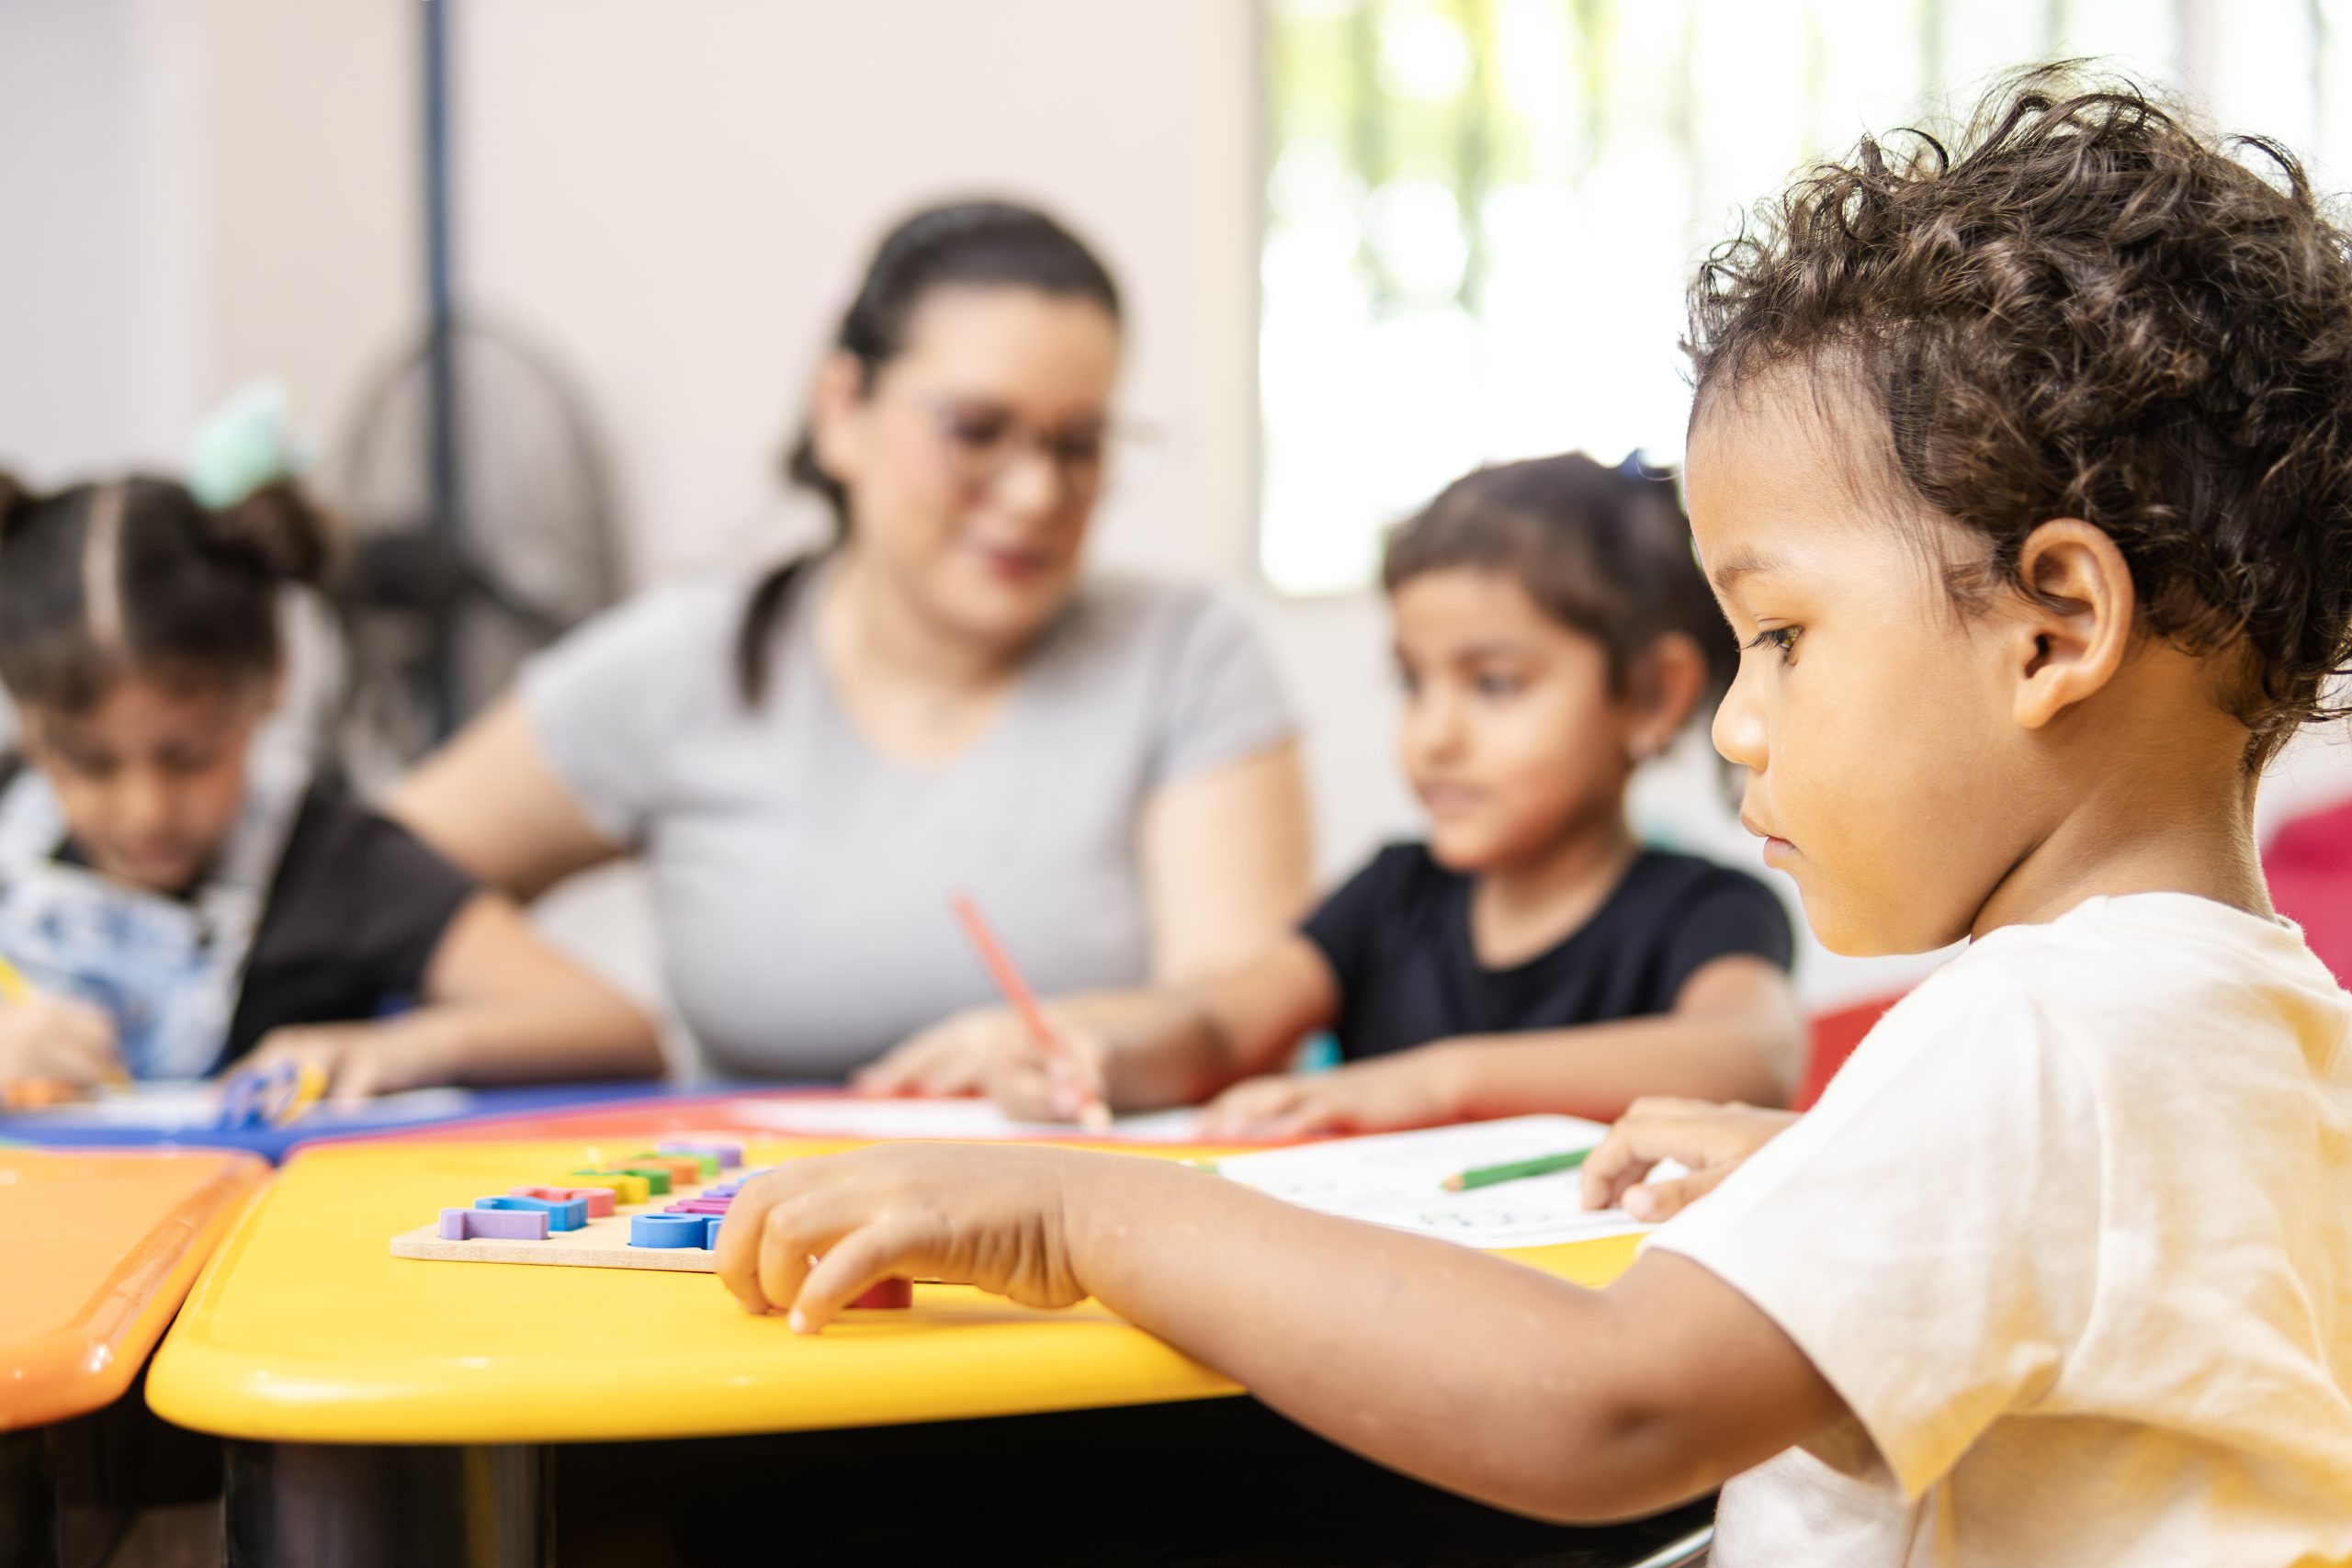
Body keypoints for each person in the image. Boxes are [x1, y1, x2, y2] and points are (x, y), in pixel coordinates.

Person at [708, 73, 2352, 1562]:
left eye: (1778, 633)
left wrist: (1092, 1211)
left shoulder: (2038, 1046)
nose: (1734, 716)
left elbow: (1604, 1408)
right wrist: (1833, 1175)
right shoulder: (2257, 1027)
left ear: (2054, 626)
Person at [391, 201, 1310, 1079]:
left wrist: (1081, 1043)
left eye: (1078, 446)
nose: (1036, 494)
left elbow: (1242, 1005)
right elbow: (362, 885)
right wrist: (552, 1022)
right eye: (977, 431)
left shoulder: (1186, 658)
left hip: (1070, 1228)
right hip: (747, 1230)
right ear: (841, 410)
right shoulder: (678, 666)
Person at [862, 453, 1801, 1136]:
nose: (1434, 732)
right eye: (1411, 682)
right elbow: (1224, 1027)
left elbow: (1747, 1058)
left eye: (1493, 683)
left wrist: (1434, 1085)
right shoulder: (1389, 896)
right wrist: (1099, 1060)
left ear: (1650, 696)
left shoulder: (1708, 912)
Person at [0, 471, 662, 1100]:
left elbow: (618, 1029)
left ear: (271, 680)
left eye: (191, 756)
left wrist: (404, 1047)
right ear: (26, 719)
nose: (146, 810)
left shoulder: (345, 867)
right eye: (88, 762)